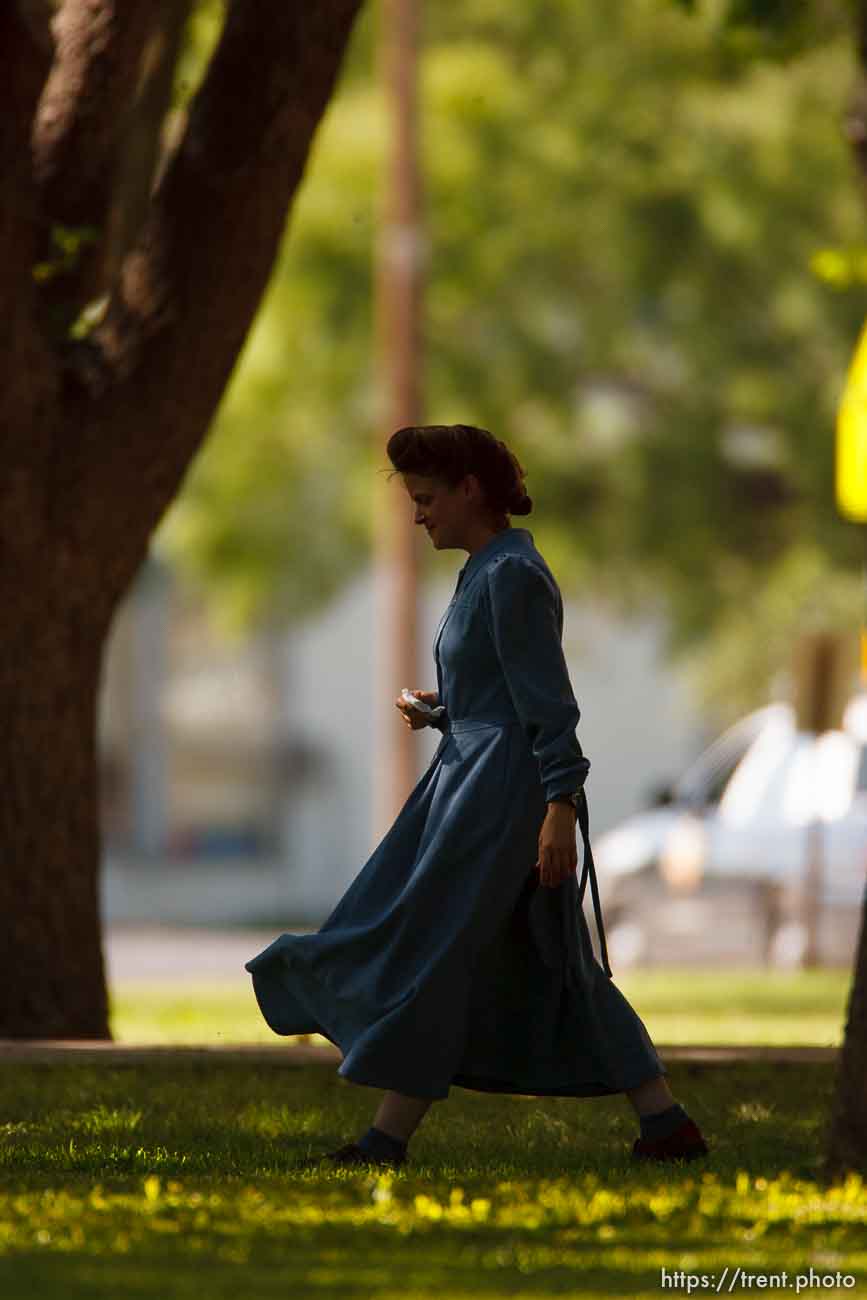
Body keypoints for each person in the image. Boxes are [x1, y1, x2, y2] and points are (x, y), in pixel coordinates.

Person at [244, 423, 709, 1170]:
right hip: (473, 782)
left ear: (469, 490)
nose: (418, 514)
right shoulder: (486, 570)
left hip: (499, 801)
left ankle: (383, 1141)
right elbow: (502, 694)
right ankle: (665, 1124)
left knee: (433, 949)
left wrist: (558, 806)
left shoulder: (512, 575)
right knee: (550, 961)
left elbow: (548, 704)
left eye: (427, 498)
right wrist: (443, 711)